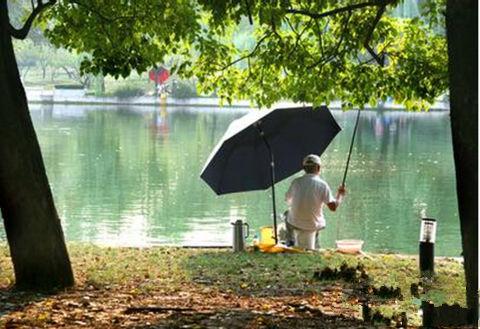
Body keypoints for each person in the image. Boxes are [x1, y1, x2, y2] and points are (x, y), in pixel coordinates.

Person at [284, 154, 346, 250]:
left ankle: (290, 241)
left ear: (304, 168)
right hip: (313, 224)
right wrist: (340, 195)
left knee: (287, 213)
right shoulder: (322, 185)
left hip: (295, 223)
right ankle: (315, 246)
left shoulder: (296, 182)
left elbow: (288, 200)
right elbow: (333, 207)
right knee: (315, 219)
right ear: (318, 167)